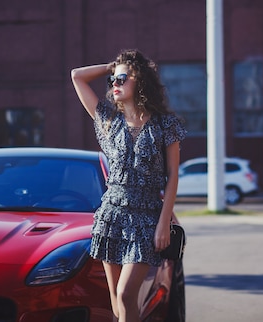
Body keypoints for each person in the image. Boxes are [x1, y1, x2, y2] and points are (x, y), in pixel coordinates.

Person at [71, 49, 186, 322]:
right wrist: (113, 66)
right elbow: (77, 76)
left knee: (125, 295)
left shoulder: (164, 124)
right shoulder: (109, 121)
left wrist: (163, 223)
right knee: (115, 304)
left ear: (140, 80)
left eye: (122, 78)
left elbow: (173, 177)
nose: (115, 83)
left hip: (146, 218)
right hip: (112, 216)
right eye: (113, 79)